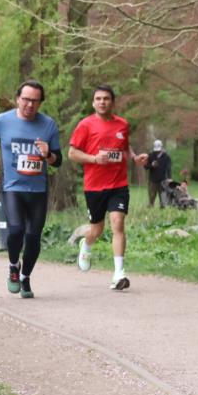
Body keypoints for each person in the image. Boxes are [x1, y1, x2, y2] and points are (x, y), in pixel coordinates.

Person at [0, 80, 63, 299]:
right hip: (12, 188)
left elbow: (58, 161)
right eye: (26, 99)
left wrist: (48, 155)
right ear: (18, 99)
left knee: (33, 237)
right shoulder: (2, 121)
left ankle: (26, 277)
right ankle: (13, 265)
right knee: (15, 230)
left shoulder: (48, 125)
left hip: (38, 191)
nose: (29, 105)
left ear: (40, 103)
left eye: (35, 101)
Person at [68, 85, 148, 290]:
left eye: (106, 98)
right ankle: (86, 245)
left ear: (112, 102)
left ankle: (118, 273)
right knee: (97, 229)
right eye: (98, 98)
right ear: (93, 102)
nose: (102, 102)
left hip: (118, 184)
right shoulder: (85, 125)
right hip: (94, 186)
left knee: (118, 223)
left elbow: (124, 147)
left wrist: (135, 157)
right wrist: (94, 158)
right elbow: (72, 153)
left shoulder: (122, 124)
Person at [145, 139, 172, 207]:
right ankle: (150, 211)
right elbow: (145, 167)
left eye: (159, 150)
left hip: (163, 181)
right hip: (152, 181)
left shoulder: (166, 157)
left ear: (162, 147)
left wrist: (169, 178)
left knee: (163, 201)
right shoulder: (151, 155)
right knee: (151, 199)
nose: (157, 151)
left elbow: (168, 168)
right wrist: (152, 165)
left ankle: (162, 212)